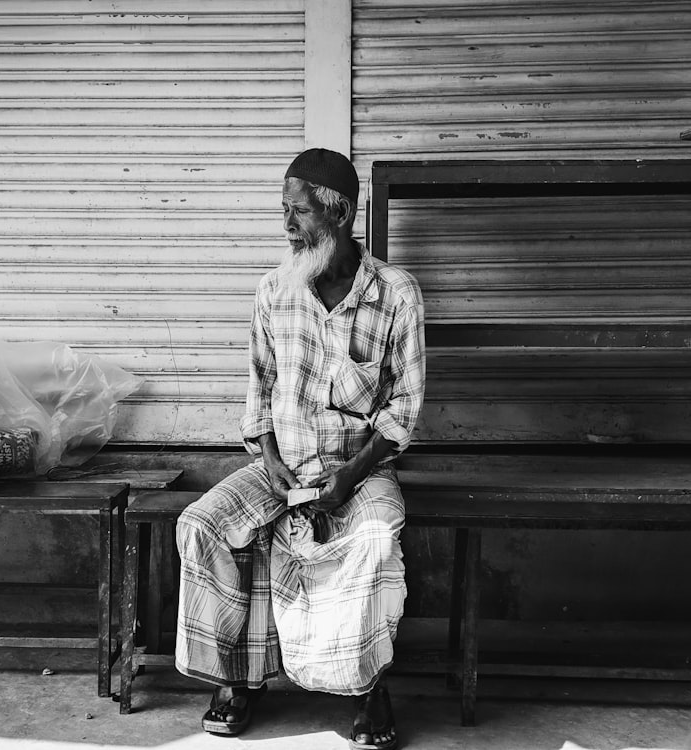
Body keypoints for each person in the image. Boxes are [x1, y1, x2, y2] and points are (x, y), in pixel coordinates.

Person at [175, 147, 426, 750]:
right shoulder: (273, 291)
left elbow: (403, 408)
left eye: (299, 214)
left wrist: (350, 474)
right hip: (278, 465)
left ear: (338, 215)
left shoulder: (395, 294)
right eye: (283, 211)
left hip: (359, 472)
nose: (286, 226)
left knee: (374, 538)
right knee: (201, 525)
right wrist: (269, 461)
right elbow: (259, 388)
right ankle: (236, 680)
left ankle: (369, 687)